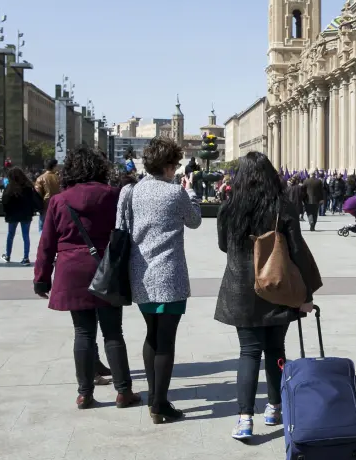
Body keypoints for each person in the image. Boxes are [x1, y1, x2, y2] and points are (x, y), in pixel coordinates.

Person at [214, 151, 318, 440]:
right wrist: (306, 294)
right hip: (278, 286)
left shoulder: (229, 207)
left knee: (248, 352)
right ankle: (274, 407)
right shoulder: (282, 207)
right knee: (276, 349)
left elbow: (223, 245)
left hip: (242, 288)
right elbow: (297, 251)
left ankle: (245, 419)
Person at [33, 146, 139, 409]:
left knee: (83, 332)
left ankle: (85, 393)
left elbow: (47, 243)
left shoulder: (59, 200)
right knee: (113, 331)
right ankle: (123, 391)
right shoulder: (113, 195)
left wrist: (41, 278)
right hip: (107, 267)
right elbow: (128, 232)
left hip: (71, 270)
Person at [121, 136, 202, 424]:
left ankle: (154, 396)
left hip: (140, 274)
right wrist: (191, 192)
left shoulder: (131, 191)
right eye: (175, 165)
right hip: (169, 275)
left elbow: (122, 226)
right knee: (166, 340)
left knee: (152, 334)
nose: (176, 169)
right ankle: (160, 403)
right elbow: (194, 221)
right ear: (167, 166)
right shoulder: (175, 192)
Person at [1, 167, 42, 265]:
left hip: (13, 214)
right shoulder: (28, 187)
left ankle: (8, 255)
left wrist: (6, 212)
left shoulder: (10, 187)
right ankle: (26, 258)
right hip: (26, 214)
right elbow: (35, 199)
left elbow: (5, 201)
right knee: (25, 235)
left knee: (10, 235)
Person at [34, 159, 61, 233]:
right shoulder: (59, 178)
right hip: (58, 205)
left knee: (42, 228)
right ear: (54, 166)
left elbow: (37, 194)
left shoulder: (40, 178)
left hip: (45, 206)